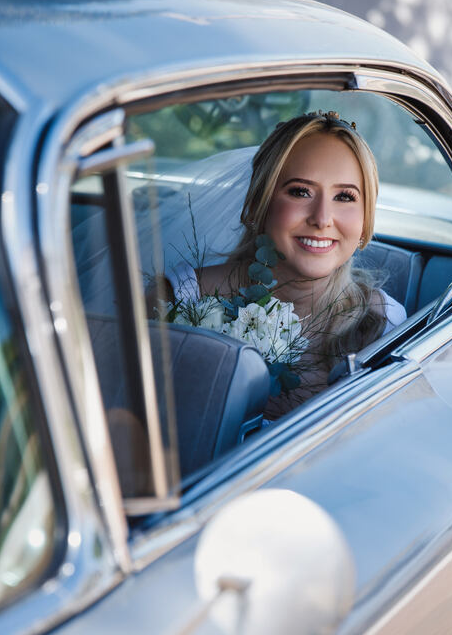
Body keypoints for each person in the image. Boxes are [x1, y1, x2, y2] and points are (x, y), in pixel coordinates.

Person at [163, 110, 405, 412]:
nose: (321, 218)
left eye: (344, 197)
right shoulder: (182, 299)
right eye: (300, 192)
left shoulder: (385, 324)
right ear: (256, 206)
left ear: (365, 222)